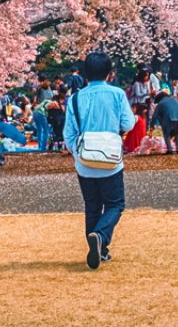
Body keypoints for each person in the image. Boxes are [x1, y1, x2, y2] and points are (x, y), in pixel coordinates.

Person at [65, 51, 134, 270]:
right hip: (111, 160)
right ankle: (101, 237)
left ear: (85, 73)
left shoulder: (75, 98)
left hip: (85, 162)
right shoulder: (117, 94)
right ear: (109, 73)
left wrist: (77, 154)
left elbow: (69, 134)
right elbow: (128, 123)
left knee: (92, 207)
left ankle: (99, 249)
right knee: (115, 204)